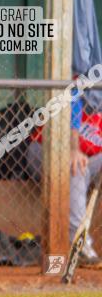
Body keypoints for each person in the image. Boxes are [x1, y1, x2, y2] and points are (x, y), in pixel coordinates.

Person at [26, 92, 101, 264]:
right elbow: (57, 143)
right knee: (76, 168)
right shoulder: (71, 99)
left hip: (87, 161)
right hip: (44, 152)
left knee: (80, 166)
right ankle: (79, 244)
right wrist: (73, 150)